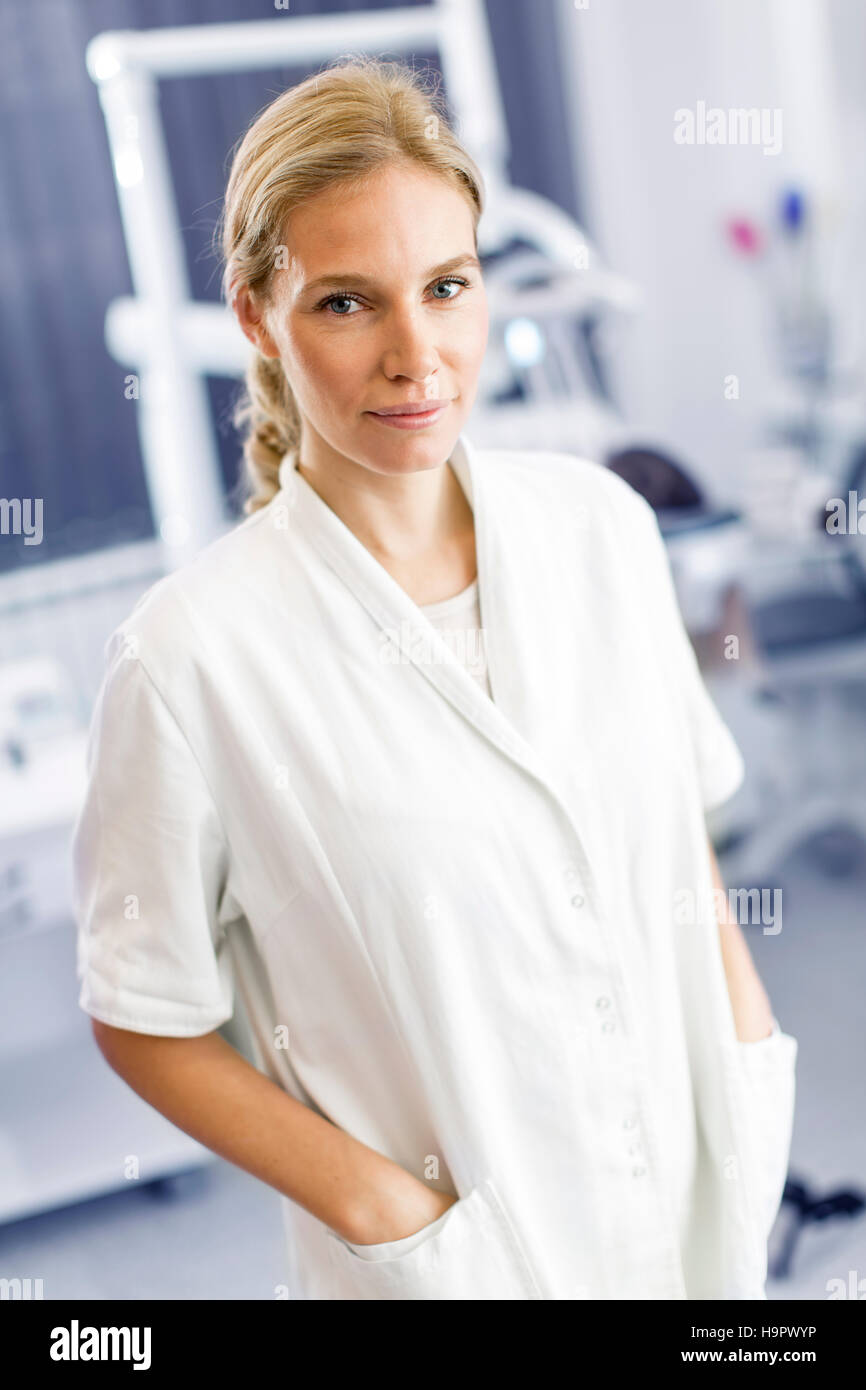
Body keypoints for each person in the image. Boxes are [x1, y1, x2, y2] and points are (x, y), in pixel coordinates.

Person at [72, 55, 797, 1301]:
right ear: (256, 314)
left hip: (689, 1218)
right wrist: (382, 1203)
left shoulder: (603, 529)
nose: (418, 355)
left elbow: (680, 831)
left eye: (445, 287)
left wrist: (743, 1053)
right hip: (453, 1267)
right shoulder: (190, 658)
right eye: (347, 304)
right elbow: (144, 1011)